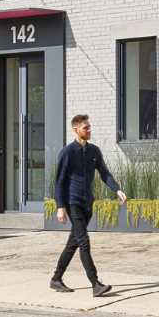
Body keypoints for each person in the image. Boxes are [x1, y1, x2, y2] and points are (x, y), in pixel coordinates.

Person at [50, 113, 125, 296]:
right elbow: (59, 181)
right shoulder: (68, 152)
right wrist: (60, 206)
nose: (89, 130)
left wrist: (116, 189)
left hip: (87, 204)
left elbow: (104, 173)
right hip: (72, 202)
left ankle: (56, 279)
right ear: (76, 129)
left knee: (73, 244)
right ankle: (95, 284)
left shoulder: (94, 151)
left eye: (89, 127)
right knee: (84, 243)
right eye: (86, 128)